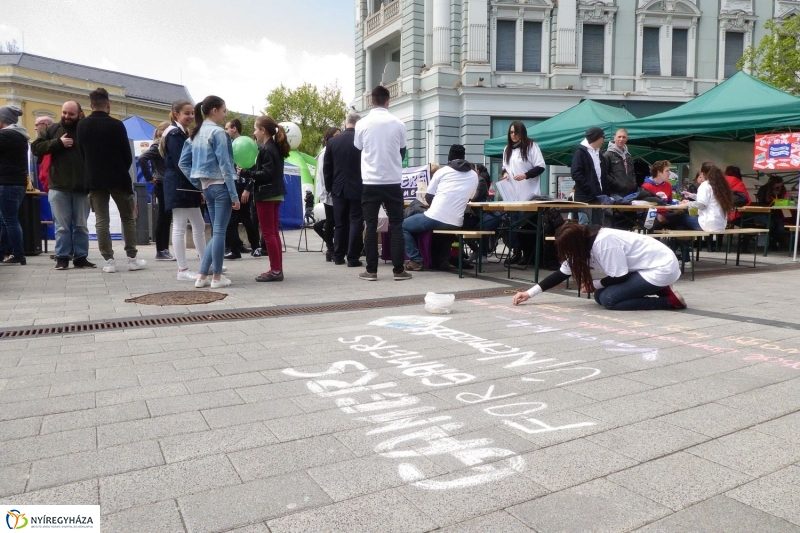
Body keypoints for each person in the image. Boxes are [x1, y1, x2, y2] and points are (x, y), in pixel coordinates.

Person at [512, 222, 686, 311]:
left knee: (609, 300)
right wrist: (529, 293)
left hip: (661, 267)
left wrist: (594, 284)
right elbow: (560, 274)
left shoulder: (604, 242)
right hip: (645, 267)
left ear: (575, 244)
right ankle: (662, 289)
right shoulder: (583, 245)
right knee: (600, 296)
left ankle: (669, 301)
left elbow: (620, 277)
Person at [78, 88, 146, 273]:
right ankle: (132, 259)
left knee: (101, 220)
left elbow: (82, 153)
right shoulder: (116, 125)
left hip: (94, 178)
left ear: (91, 105)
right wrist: (120, 169)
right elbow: (126, 154)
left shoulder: (82, 125)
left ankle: (109, 261)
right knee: (128, 218)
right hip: (118, 177)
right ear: (108, 105)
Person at [179, 95, 240, 289]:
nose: (225, 114)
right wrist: (234, 194)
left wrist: (198, 183)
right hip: (221, 185)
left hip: (206, 187)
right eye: (224, 111)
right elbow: (225, 164)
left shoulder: (195, 133)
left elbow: (183, 163)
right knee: (219, 232)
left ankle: (203, 275)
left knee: (216, 232)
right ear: (214, 110)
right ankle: (216, 276)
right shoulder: (218, 133)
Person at [354, 85, 411, 281]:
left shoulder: (361, 124)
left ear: (371, 101)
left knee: (370, 226)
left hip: (370, 181)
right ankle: (398, 270)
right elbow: (402, 151)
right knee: (396, 224)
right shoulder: (399, 124)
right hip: (393, 181)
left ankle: (371, 270)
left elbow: (359, 149)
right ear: (388, 101)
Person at [31, 102, 94, 270]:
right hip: (58, 186)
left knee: (81, 226)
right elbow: (35, 148)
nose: (66, 116)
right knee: (62, 226)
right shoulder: (53, 130)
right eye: (64, 113)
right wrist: (58, 143)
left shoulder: (86, 130)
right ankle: (62, 257)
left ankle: (81, 257)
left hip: (82, 187)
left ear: (80, 114)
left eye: (71, 114)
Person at [402, 144, 478, 271]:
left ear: (449, 158)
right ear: (464, 158)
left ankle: (416, 260)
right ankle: (444, 259)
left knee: (403, 226)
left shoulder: (442, 171)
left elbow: (428, 197)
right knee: (446, 229)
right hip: (457, 222)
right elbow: (470, 197)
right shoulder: (474, 175)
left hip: (436, 217)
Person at [238, 115, 289, 282]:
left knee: (268, 233)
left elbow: (267, 173)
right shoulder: (274, 147)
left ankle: (275, 270)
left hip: (266, 195)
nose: (254, 132)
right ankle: (277, 268)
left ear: (262, 130)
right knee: (273, 233)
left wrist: (246, 173)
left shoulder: (267, 149)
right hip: (275, 194)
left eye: (255, 129)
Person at [162, 100, 207, 282]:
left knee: (199, 225)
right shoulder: (174, 134)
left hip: (187, 183)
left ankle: (205, 264)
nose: (190, 116)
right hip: (179, 183)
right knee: (180, 226)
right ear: (176, 114)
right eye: (186, 113)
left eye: (192, 113)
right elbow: (183, 162)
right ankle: (182, 269)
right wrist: (199, 184)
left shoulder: (181, 133)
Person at [498, 121, 545, 265]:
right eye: (511, 132)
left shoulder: (531, 146)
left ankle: (527, 254)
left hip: (528, 195)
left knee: (525, 226)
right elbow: (504, 167)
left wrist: (525, 175)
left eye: (516, 132)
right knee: (512, 225)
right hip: (512, 195)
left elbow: (541, 166)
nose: (513, 135)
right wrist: (505, 173)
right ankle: (516, 251)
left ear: (522, 133)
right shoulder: (508, 149)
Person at [324, 114, 365, 267]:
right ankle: (353, 258)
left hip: (338, 188)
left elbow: (327, 168)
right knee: (355, 221)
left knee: (340, 223)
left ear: (345, 123)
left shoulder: (333, 142)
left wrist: (330, 187)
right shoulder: (362, 140)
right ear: (358, 123)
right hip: (358, 187)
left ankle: (338, 256)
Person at [223, 118, 260, 259]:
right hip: (233, 186)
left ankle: (256, 246)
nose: (226, 131)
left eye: (227, 128)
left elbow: (253, 168)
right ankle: (235, 249)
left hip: (243, 187)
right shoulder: (230, 146)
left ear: (234, 128)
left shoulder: (247, 144)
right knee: (232, 219)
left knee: (246, 219)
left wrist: (248, 188)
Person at [139, 122, 174, 261]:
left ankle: (164, 249)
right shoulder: (158, 145)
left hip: (163, 182)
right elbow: (142, 158)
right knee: (164, 217)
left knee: (166, 217)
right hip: (162, 182)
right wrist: (150, 177)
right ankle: (161, 250)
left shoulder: (163, 145)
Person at [0, 106, 30, 265]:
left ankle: (19, 254)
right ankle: (2, 252)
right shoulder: (20, 135)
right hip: (18, 183)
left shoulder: (5, 135)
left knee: (10, 220)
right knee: (6, 219)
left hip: (7, 183)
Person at [672, 162, 733, 233]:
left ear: (703, 173)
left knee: (679, 217)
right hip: (721, 225)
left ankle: (675, 242)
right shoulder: (719, 185)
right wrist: (692, 195)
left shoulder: (705, 185)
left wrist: (687, 204)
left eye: (700, 172)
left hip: (708, 224)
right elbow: (710, 200)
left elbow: (701, 205)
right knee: (681, 227)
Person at [571, 126, 609, 225]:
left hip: (598, 197)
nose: (604, 140)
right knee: (585, 225)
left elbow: (602, 175)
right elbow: (576, 173)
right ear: (597, 138)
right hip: (584, 198)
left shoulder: (599, 154)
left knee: (597, 226)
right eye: (603, 137)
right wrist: (589, 189)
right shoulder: (580, 153)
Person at [314, 126, 341, 262]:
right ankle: (330, 248)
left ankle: (333, 247)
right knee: (331, 221)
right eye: (336, 135)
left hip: (333, 190)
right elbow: (323, 173)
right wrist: (328, 189)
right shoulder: (325, 153)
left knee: (334, 220)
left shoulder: (334, 151)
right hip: (328, 191)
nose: (338, 138)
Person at [756, 175, 788, 250]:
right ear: (772, 185)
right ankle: (771, 243)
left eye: (781, 186)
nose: (780, 188)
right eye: (777, 187)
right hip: (764, 213)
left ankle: (773, 243)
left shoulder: (782, 189)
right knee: (771, 225)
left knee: (780, 228)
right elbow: (761, 203)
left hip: (776, 213)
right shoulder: (763, 189)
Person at [603, 128, 637, 197]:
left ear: (627, 139)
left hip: (629, 192)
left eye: (624, 137)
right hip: (614, 192)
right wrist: (618, 185)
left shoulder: (628, 155)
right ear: (614, 138)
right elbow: (604, 174)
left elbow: (632, 172)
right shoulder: (607, 155)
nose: (621, 139)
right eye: (619, 137)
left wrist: (634, 184)